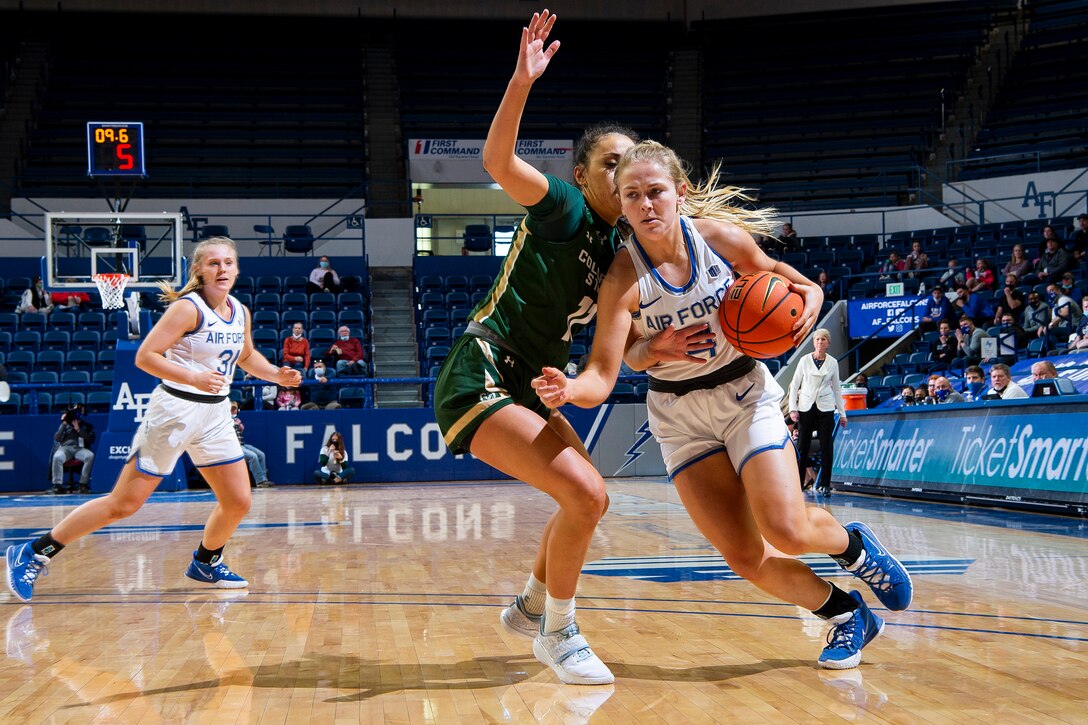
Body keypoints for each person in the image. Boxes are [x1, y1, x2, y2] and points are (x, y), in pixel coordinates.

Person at [532, 139, 912, 671]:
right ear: (621, 203)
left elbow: (796, 284)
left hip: (744, 395)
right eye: (633, 195)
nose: (646, 204)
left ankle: (854, 548)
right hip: (679, 416)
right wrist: (574, 387)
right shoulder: (622, 278)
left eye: (656, 192)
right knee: (745, 557)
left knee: (784, 529)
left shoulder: (717, 239)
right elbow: (607, 370)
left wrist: (810, 305)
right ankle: (848, 615)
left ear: (680, 194)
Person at [432, 11, 638, 686]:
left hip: (533, 380)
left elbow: (626, 354)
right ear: (581, 174)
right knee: (581, 490)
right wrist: (522, 81)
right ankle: (559, 631)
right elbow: (497, 161)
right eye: (610, 162)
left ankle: (529, 605)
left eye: (631, 165)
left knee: (593, 497)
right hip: (485, 366)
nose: (621, 173)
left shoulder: (620, 258)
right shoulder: (564, 210)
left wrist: (682, 340)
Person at [6, 236, 302, 602]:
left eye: (228, 263)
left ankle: (206, 561)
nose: (222, 269)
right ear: (198, 269)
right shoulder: (186, 309)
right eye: (213, 263)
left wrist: (276, 374)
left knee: (238, 500)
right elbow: (145, 356)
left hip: (214, 414)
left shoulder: (239, 310)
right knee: (124, 504)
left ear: (237, 268)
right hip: (174, 411)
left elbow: (245, 356)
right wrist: (192, 376)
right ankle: (34, 552)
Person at [789, 329, 847, 496]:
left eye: (823, 340)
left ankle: (825, 485)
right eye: (817, 339)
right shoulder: (804, 360)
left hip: (826, 407)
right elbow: (794, 385)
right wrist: (793, 408)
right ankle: (798, 483)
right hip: (806, 406)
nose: (820, 342)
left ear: (828, 343)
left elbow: (836, 388)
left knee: (826, 446)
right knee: (802, 447)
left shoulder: (833, 363)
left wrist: (842, 414)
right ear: (814, 342)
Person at [50, 405, 95, 495]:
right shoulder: (64, 425)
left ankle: (83, 484)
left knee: (90, 456)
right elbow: (57, 438)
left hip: (80, 449)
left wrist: (78, 429)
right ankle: (57, 485)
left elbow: (90, 439)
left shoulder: (86, 426)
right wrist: (63, 424)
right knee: (57, 457)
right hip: (65, 448)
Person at [230, 402, 273, 488]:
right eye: (232, 409)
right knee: (253, 457)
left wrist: (240, 428)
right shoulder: (226, 421)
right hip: (234, 447)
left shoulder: (236, 420)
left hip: (242, 444)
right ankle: (260, 481)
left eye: (235, 409)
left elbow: (238, 434)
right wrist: (233, 424)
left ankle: (264, 479)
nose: (233, 411)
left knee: (261, 455)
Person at [1038, 283, 1081, 347]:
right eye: (1048, 292)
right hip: (1065, 327)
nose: (1050, 293)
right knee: (1045, 331)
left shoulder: (1063, 299)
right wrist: (1044, 326)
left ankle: (1055, 350)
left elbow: (1065, 313)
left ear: (1058, 290)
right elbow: (1054, 321)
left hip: (1075, 327)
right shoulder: (1055, 304)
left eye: (1052, 290)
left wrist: (1050, 325)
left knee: (1050, 330)